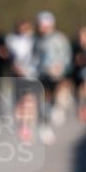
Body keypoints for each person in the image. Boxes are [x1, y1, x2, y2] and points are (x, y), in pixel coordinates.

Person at [33, 11, 71, 143]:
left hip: (58, 73)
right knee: (44, 101)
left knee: (59, 94)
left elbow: (66, 56)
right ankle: (45, 126)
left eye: (45, 25)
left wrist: (60, 67)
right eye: (40, 25)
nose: (42, 28)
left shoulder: (60, 39)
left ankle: (58, 108)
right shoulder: (36, 40)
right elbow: (34, 58)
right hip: (42, 74)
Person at [6, 18, 40, 143]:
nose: (25, 31)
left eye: (27, 28)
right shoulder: (11, 40)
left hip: (32, 75)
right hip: (17, 76)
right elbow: (9, 57)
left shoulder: (35, 41)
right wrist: (14, 67)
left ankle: (28, 125)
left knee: (29, 100)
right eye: (22, 28)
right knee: (19, 103)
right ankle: (22, 125)